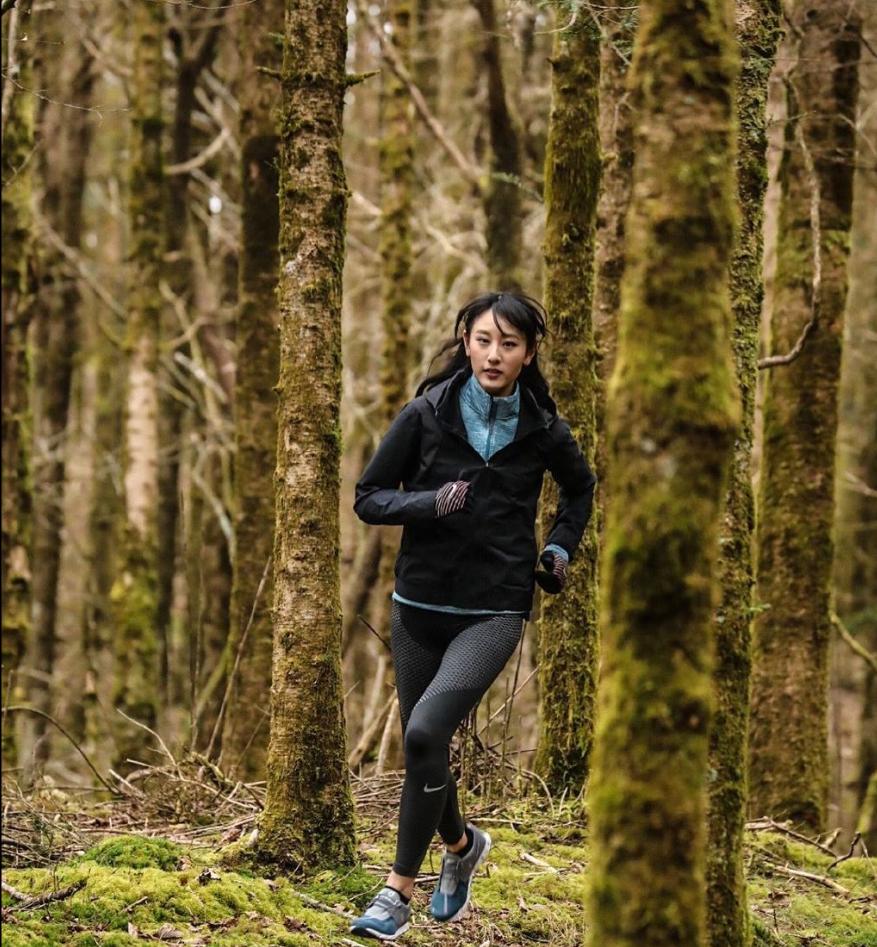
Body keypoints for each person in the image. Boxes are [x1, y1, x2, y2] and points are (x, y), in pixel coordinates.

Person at [348, 291, 596, 940]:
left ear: (528, 353)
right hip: (417, 608)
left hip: (492, 608)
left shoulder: (543, 428)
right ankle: (460, 848)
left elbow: (581, 487)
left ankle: (395, 892)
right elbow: (368, 498)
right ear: (465, 340)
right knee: (424, 746)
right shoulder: (425, 415)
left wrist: (558, 548)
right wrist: (430, 502)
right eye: (484, 339)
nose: (494, 354)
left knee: (425, 731)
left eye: (508, 344)